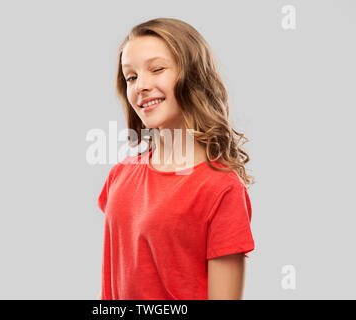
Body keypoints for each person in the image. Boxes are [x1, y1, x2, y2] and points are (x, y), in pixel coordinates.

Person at [97, 17, 255, 300]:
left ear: (193, 77)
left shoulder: (222, 188)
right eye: (131, 77)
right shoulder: (119, 175)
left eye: (156, 69)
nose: (140, 86)